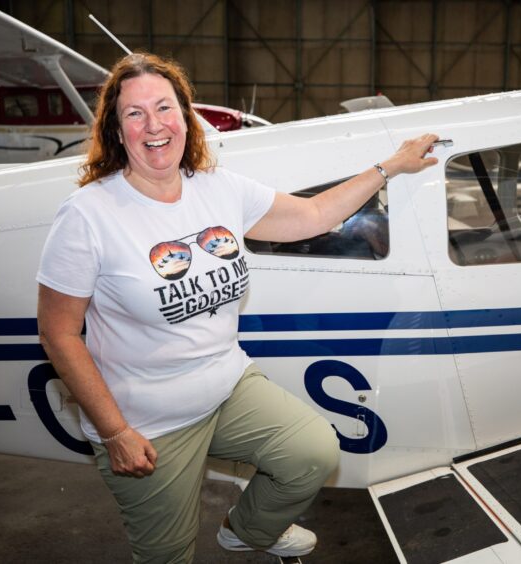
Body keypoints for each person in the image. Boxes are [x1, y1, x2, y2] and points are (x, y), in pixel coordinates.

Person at [36, 52, 439, 563]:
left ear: (185, 116)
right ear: (116, 130)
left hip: (226, 387)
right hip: (148, 420)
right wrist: (115, 432)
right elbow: (58, 332)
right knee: (167, 557)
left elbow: (314, 214)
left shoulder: (218, 188)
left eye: (164, 108)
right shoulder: (88, 215)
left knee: (311, 453)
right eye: (134, 114)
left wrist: (391, 167)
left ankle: (247, 529)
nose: (153, 125)